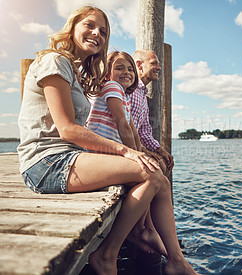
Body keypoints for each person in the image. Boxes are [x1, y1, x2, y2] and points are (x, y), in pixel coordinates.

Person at [17, 6, 197, 275]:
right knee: (149, 173)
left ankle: (176, 261)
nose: (96, 34)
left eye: (103, 31)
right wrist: (126, 152)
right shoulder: (54, 61)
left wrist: (132, 152)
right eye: (89, 26)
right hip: (45, 163)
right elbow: (67, 130)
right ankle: (107, 254)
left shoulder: (74, 71)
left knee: (160, 179)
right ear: (72, 27)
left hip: (67, 157)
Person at [86, 50, 167, 256]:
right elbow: (123, 126)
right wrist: (134, 154)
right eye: (119, 68)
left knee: (157, 175)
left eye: (130, 69)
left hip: (108, 154)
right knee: (152, 174)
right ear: (107, 72)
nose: (127, 72)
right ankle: (140, 231)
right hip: (98, 154)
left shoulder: (123, 95)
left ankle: (147, 228)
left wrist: (141, 152)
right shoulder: (111, 87)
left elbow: (133, 131)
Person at [129, 49, 174, 177]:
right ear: (139, 65)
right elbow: (121, 127)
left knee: (163, 163)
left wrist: (160, 151)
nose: (159, 68)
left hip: (134, 147)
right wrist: (143, 151)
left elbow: (144, 132)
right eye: (154, 63)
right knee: (158, 168)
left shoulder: (142, 94)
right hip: (123, 149)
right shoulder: (129, 90)